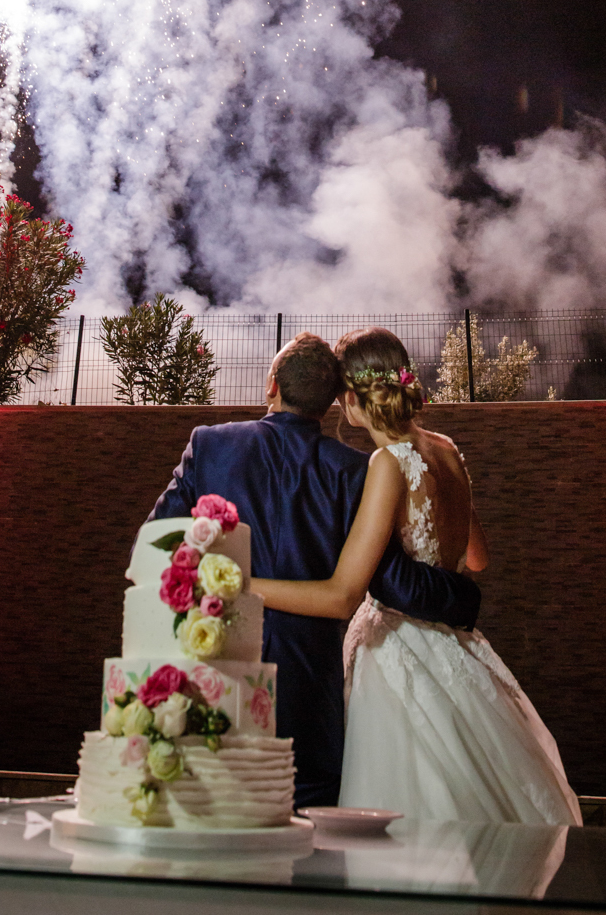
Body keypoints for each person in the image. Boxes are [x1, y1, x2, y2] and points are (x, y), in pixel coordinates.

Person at [250, 327, 582, 825]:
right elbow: (477, 558)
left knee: (408, 802)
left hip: (398, 650)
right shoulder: (446, 448)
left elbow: (344, 593)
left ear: (350, 398)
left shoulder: (386, 464)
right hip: (458, 647)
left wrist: (241, 585)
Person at [149, 332, 482, 808]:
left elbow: (158, 543)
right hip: (310, 691)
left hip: (208, 667)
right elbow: (394, 583)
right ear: (331, 404)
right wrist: (465, 598)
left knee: (199, 806)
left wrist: (211, 578)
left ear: (271, 386)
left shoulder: (209, 445)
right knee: (309, 822)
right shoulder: (354, 469)